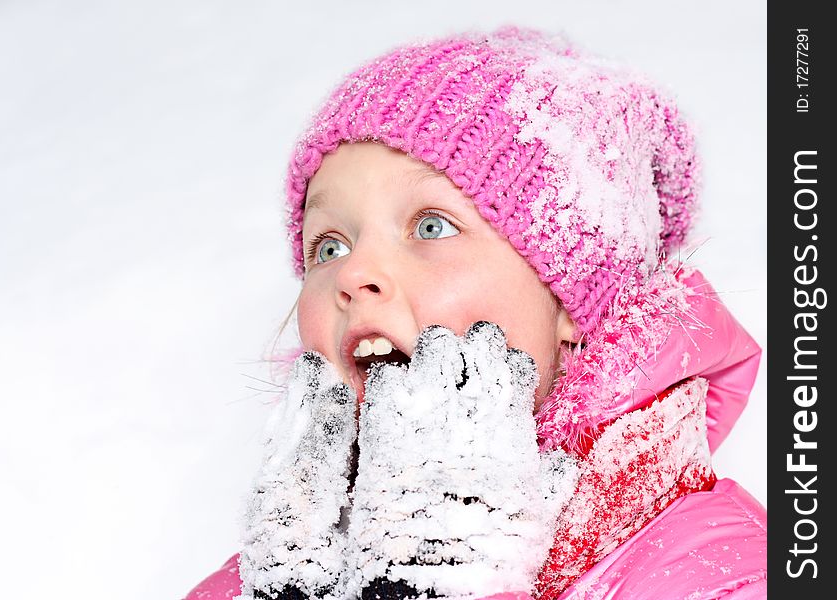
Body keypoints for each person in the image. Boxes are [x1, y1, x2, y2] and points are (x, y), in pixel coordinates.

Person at [184, 26, 766, 600]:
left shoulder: (724, 573)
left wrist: (446, 580)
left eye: (431, 226)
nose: (353, 274)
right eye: (329, 245)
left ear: (570, 300)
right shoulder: (256, 582)